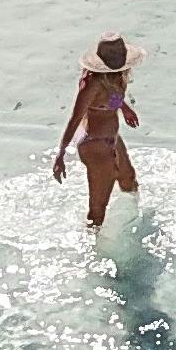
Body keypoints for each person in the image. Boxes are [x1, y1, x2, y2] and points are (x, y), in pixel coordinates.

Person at [55, 34, 145, 230]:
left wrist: (124, 107)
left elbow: (109, 98)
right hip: (95, 145)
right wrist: (60, 155)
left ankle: (137, 225)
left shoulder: (115, 77)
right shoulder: (90, 85)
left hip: (112, 139)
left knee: (129, 181)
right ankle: (91, 249)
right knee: (98, 210)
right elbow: (75, 119)